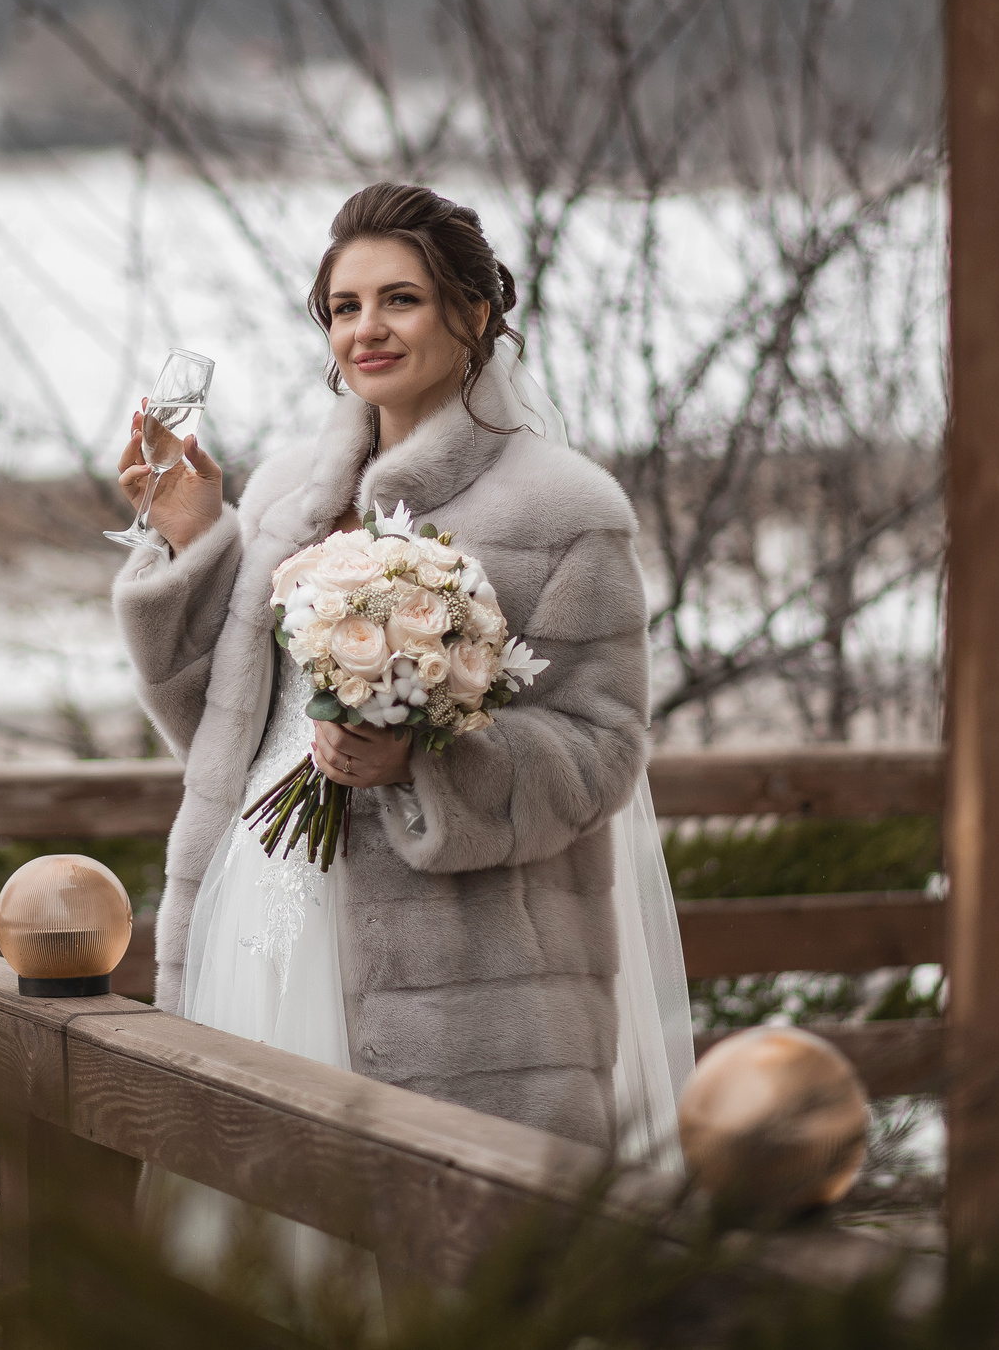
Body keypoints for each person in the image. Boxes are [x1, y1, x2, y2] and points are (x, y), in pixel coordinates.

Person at [113, 182, 692, 1164]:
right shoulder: (289, 492)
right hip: (257, 916)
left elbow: (602, 755)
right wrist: (191, 539)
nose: (365, 330)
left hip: (466, 979)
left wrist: (419, 763)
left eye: (400, 300)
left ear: (474, 313)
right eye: (343, 307)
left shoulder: (562, 509)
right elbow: (219, 719)